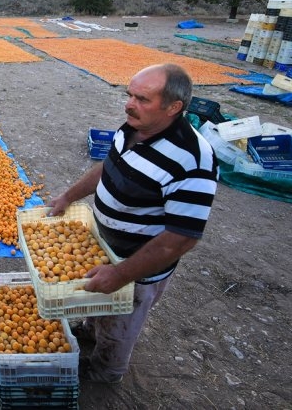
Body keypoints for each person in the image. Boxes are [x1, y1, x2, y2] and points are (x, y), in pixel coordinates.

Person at [48, 63, 219, 384]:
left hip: (137, 268)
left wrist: (121, 273)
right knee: (99, 300)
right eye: (129, 95)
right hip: (104, 250)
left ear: (173, 107)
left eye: (142, 98)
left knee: (119, 326)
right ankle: (90, 331)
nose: (129, 104)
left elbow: (181, 239)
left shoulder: (192, 160)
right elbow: (107, 167)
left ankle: (105, 370)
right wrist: (67, 197)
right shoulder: (133, 128)